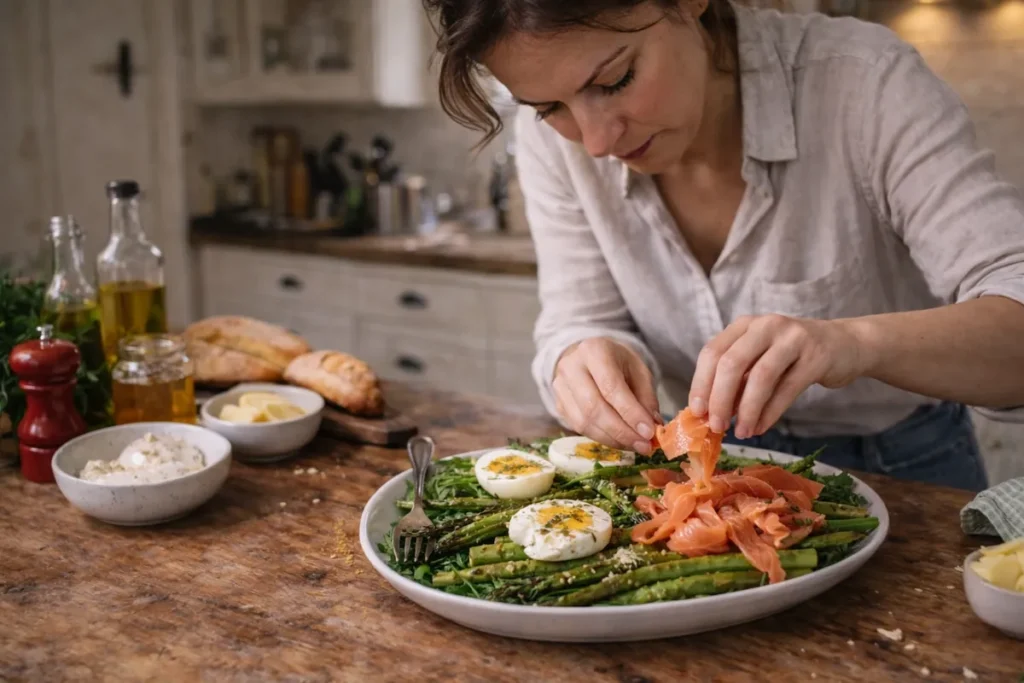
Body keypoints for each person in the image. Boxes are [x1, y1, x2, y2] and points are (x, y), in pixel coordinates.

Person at [421, 0, 1024, 491]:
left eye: (615, 80)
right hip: (711, 473)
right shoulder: (557, 143)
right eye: (549, 107)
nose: (596, 141)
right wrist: (580, 355)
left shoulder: (864, 83)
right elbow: (578, 317)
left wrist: (852, 343)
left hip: (907, 470)